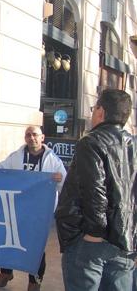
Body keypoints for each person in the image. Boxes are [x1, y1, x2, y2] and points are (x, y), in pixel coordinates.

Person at [55, 89, 136, 291]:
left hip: (92, 242)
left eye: (93, 108)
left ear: (101, 111)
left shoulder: (91, 141)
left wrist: (94, 232)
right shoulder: (133, 145)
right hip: (125, 239)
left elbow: (94, 189)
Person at [0, 126, 66, 291]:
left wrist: (59, 178)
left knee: (36, 247)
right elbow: (2, 168)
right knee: (7, 240)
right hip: (17, 209)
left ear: (42, 137)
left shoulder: (53, 160)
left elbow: (65, 183)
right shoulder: (17, 156)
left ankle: (34, 280)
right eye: (28, 135)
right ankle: (6, 272)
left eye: (35, 134)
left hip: (39, 212)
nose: (31, 138)